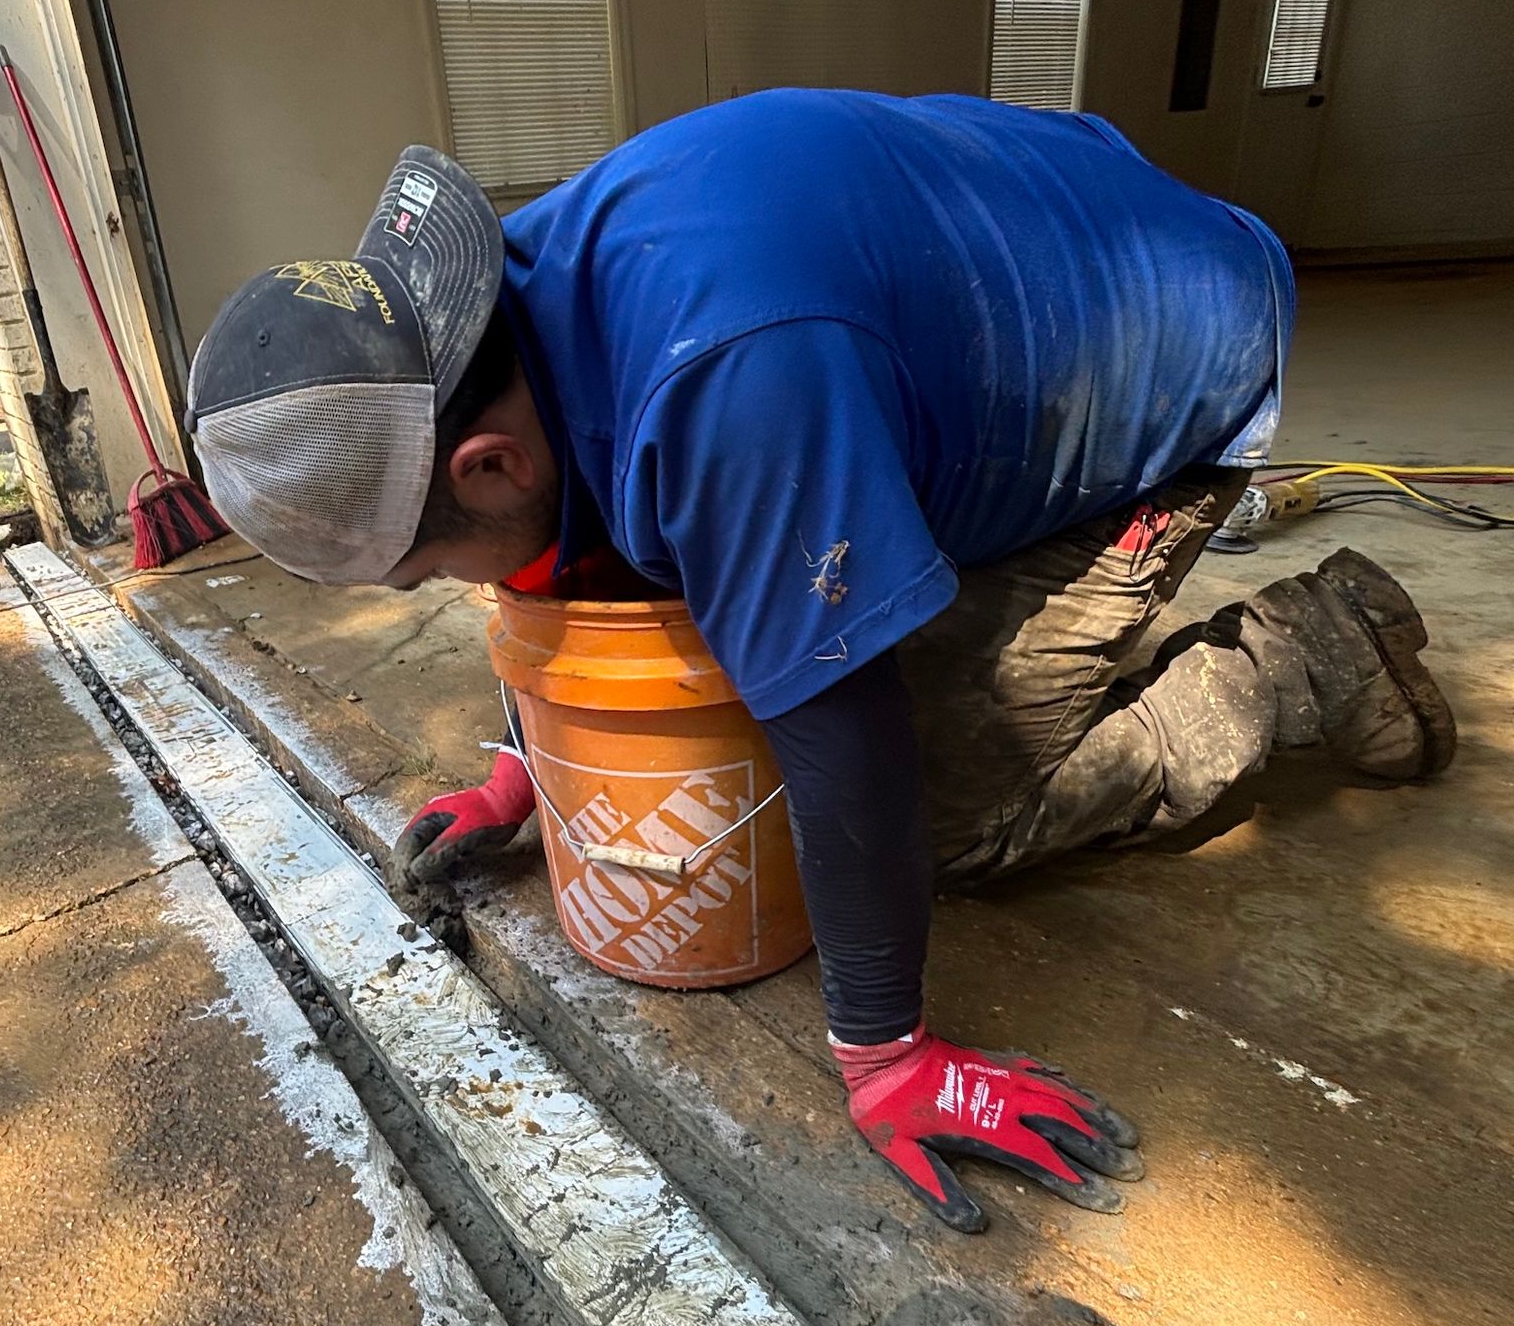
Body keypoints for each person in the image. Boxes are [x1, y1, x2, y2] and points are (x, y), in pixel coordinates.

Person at [187, 92, 1455, 1233]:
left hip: (1168, 352)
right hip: (1036, 219)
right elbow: (557, 562)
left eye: (423, 570)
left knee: (948, 812)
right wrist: (532, 767)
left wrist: (884, 1051)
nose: (444, 590)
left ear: (488, 466)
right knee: (725, 588)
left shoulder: (727, 383)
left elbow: (845, 730)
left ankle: (1295, 655)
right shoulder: (495, 309)